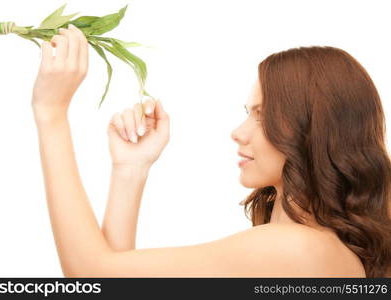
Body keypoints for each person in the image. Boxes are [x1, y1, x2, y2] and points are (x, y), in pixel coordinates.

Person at [31, 24, 391, 278]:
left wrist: (51, 113)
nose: (238, 133)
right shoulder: (318, 250)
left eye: (262, 115)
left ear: (310, 127)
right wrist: (130, 170)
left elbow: (92, 277)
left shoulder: (298, 249)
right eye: (248, 113)